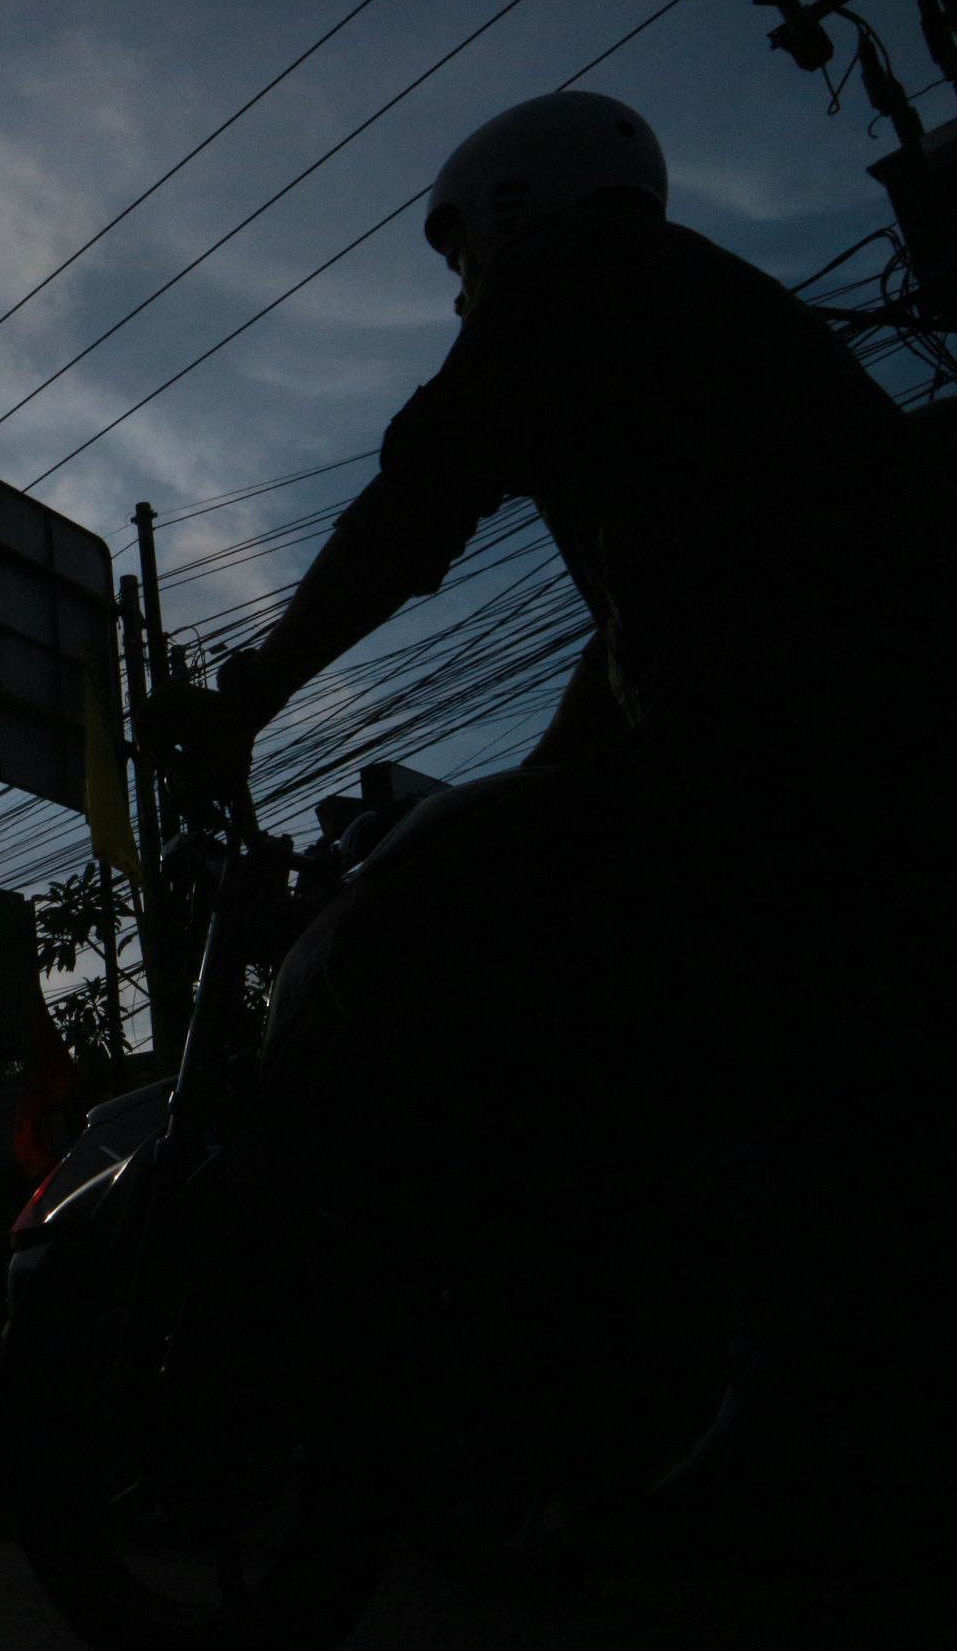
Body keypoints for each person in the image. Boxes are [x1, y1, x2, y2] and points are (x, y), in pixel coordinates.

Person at [143, 92, 950, 1486]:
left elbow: (417, 502)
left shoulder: (580, 279)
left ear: (517, 208)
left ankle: (748, 1305)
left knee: (409, 944)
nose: (464, 292)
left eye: (461, 256)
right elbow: (617, 686)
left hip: (797, 756)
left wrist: (251, 694)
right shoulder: (711, 342)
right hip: (856, 753)